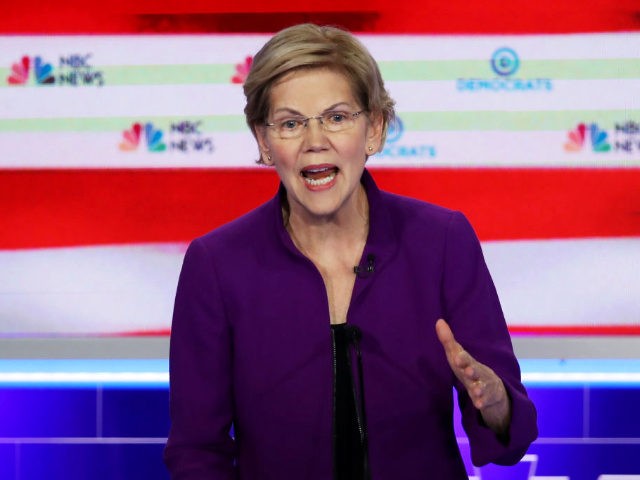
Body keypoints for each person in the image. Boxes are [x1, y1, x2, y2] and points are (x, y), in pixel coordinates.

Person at [164, 23, 538, 480]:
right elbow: (196, 452)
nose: (315, 140)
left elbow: (509, 440)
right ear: (264, 143)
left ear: (375, 129)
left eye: (337, 117)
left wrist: (496, 403)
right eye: (290, 123)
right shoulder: (217, 266)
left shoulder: (441, 241)